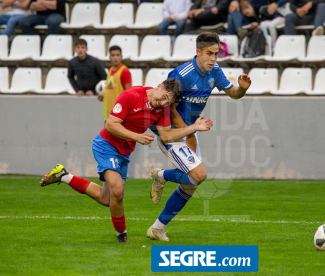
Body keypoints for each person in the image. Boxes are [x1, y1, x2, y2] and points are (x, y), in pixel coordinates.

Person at [39, 79, 214, 243]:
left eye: (167, 102)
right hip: (106, 145)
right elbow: (111, 124)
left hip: (124, 153)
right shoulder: (132, 95)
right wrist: (136, 136)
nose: (162, 103)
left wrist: (194, 128)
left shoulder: (163, 109)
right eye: (163, 98)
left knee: (107, 198)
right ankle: (122, 237)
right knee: (118, 191)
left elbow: (166, 136)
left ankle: (64, 176)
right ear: (159, 86)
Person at [147, 32, 251, 241]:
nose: (213, 58)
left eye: (216, 53)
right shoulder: (182, 74)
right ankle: (160, 176)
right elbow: (170, 107)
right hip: (172, 132)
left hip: (190, 130)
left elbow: (233, 94)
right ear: (198, 52)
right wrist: (189, 133)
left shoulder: (215, 71)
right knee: (199, 176)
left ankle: (156, 228)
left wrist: (243, 90)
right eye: (209, 53)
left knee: (190, 185)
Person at [99, 45, 132, 122]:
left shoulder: (125, 71)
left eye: (117, 55)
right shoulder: (110, 70)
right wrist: (103, 96)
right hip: (108, 113)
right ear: (110, 57)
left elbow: (129, 93)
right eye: (113, 55)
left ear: (121, 57)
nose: (115, 57)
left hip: (119, 114)